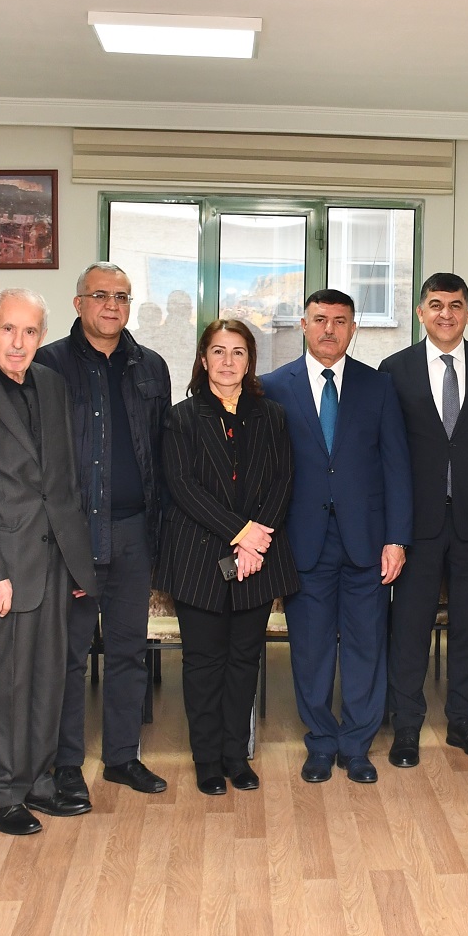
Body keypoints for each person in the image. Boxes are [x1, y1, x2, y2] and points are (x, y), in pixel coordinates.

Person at [0, 288, 96, 836]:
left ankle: (36, 778)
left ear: (42, 336)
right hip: (1, 568)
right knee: (3, 684)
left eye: (30, 331)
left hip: (53, 561)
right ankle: (2, 790)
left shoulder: (52, 385)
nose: (18, 342)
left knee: (49, 678)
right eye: (8, 329)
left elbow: (64, 482)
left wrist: (77, 563)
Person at [260, 289, 412, 785]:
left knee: (367, 647)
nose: (330, 329)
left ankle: (356, 746)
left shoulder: (378, 386)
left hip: (367, 542)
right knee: (311, 650)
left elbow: (396, 466)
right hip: (303, 543)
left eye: (340, 321)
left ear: (353, 328)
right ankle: (322, 742)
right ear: (304, 325)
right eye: (320, 319)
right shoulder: (273, 387)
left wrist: (397, 538)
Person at [34, 262, 172, 798]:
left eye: (122, 297)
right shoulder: (48, 364)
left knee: (128, 650)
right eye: (100, 296)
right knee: (69, 655)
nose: (112, 305)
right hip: (72, 535)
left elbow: (161, 451)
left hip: (135, 531)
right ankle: (66, 764)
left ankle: (122, 757)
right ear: (78, 303)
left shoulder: (151, 366)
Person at [159, 320, 297, 795]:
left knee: (244, 661)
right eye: (218, 351)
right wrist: (241, 533)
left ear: (249, 361)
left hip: (258, 560)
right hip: (199, 558)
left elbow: (283, 481)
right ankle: (206, 760)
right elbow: (182, 487)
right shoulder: (181, 417)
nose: (227, 361)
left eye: (238, 352)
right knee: (203, 663)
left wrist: (255, 542)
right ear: (203, 359)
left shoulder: (272, 415)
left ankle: (236, 756)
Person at [378, 274, 468, 766]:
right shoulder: (394, 370)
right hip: (416, 523)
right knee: (409, 626)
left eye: (455, 305)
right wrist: (393, 529)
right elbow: (387, 454)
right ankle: (407, 725)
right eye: (435, 305)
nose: (445, 314)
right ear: (420, 313)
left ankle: (463, 722)